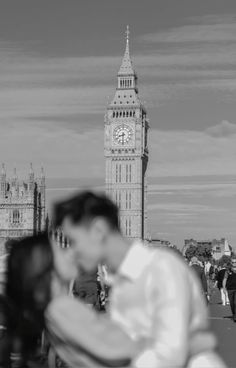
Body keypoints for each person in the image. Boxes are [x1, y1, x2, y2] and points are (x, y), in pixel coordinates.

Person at [53, 191, 226, 368]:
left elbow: (171, 356)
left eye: (74, 241)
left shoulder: (160, 268)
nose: (71, 251)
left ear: (98, 230)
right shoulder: (121, 282)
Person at [5, 233, 138, 367]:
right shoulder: (61, 307)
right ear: (47, 266)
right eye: (62, 250)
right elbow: (123, 350)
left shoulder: (54, 308)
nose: (71, 252)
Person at [223, 258, 236, 322]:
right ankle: (234, 314)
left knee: (235, 302)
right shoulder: (228, 270)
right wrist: (224, 288)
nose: (234, 263)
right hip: (230, 289)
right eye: (233, 262)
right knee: (232, 303)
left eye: (235, 262)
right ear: (231, 263)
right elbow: (224, 279)